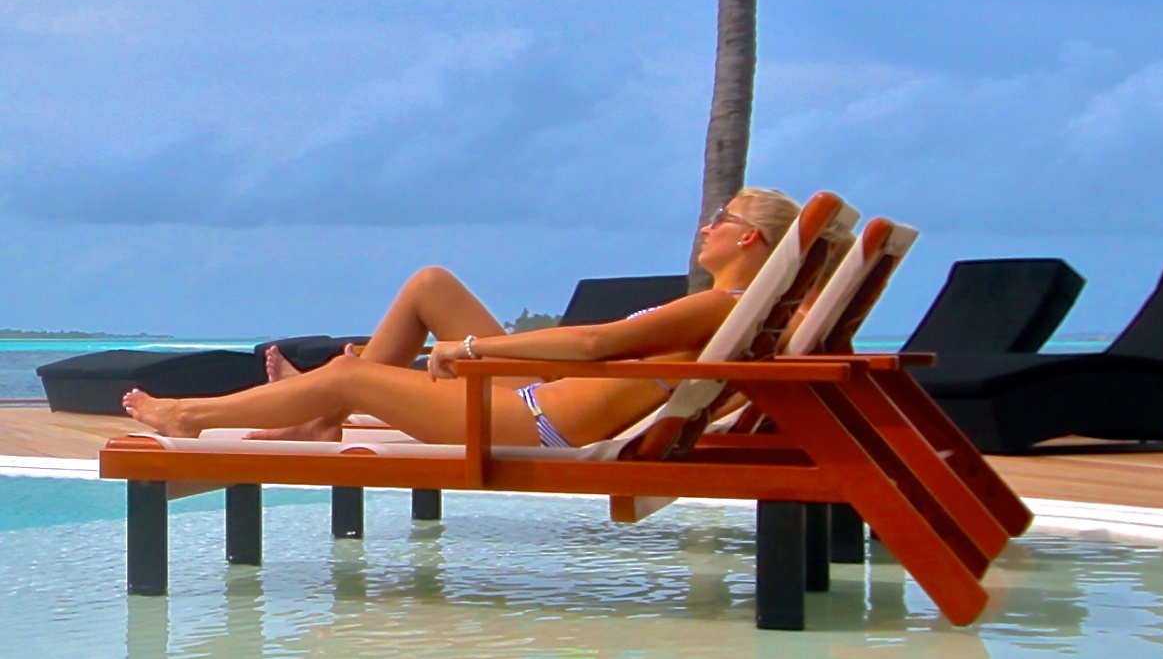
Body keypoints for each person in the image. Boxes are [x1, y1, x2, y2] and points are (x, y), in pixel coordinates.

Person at [120, 190, 801, 450]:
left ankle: (192, 416)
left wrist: (473, 347)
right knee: (431, 285)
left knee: (349, 374)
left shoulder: (718, 305)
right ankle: (319, 412)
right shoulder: (731, 308)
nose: (707, 225)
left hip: (536, 422)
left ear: (749, 241)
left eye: (723, 219)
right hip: (537, 396)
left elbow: (597, 342)